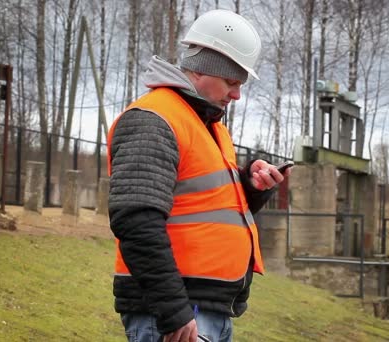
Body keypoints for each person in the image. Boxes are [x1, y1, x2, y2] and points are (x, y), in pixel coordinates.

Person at [106, 9, 290, 342]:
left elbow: (202, 208)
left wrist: (250, 186)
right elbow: (136, 220)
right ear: (202, 70)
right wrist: (173, 311)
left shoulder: (207, 125)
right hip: (177, 314)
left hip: (206, 312)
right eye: (231, 82)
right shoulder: (154, 119)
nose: (237, 94)